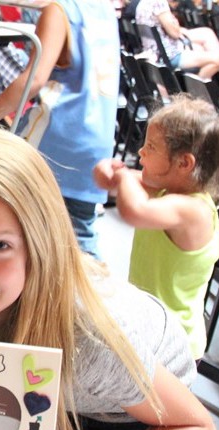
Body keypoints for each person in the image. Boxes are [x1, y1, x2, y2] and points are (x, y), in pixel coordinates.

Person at [0, 125, 215, 430]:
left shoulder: (91, 340)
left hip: (138, 413)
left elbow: (196, 428)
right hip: (58, 397)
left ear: (39, 247)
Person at [0, 0, 120, 259]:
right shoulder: (102, 8)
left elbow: (34, 79)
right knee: (80, 234)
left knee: (31, 230)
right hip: (97, 139)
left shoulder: (59, 11)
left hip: (59, 137)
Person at [94, 94, 219, 360]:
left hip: (175, 343)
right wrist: (110, 174)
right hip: (150, 325)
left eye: (150, 146)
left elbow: (134, 210)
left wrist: (123, 176)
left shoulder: (193, 211)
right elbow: (122, 184)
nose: (140, 152)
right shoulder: (168, 191)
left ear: (184, 163)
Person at [135, 0, 219, 78]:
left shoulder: (142, 3)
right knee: (217, 59)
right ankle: (197, 88)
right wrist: (174, 22)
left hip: (156, 53)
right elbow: (175, 33)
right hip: (170, 56)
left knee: (206, 37)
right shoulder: (158, 2)